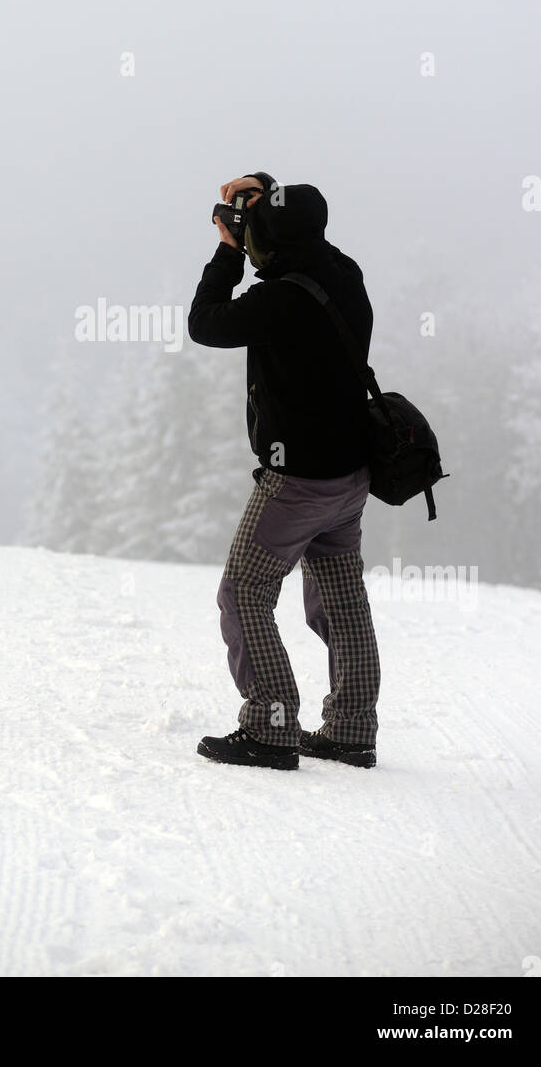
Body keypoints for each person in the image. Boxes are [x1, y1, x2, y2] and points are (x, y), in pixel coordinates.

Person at [187, 172, 380, 770]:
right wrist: (264, 190)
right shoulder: (342, 272)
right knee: (342, 599)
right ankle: (350, 730)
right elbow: (289, 224)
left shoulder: (278, 298)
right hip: (350, 477)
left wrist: (226, 249)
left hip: (295, 480)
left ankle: (271, 724)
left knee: (244, 590)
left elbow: (206, 323)